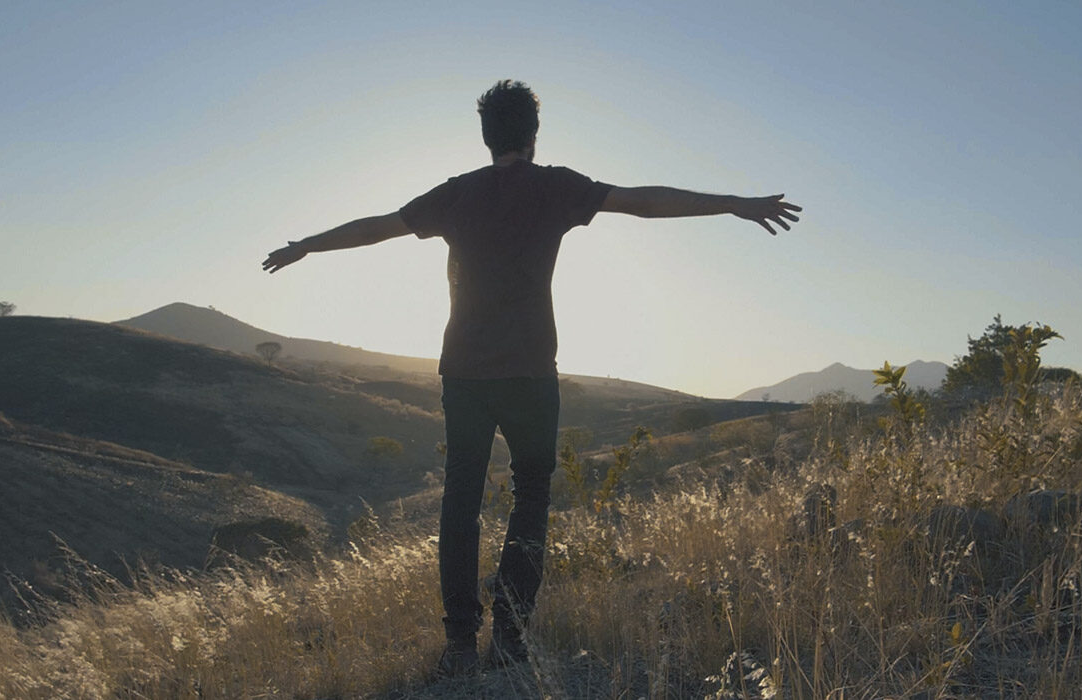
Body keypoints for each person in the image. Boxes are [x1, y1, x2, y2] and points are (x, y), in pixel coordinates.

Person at [262, 79, 801, 677]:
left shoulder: (457, 193)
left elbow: (377, 227)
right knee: (532, 496)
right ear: (533, 135)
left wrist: (307, 245)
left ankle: (459, 645)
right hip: (530, 373)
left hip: (464, 372)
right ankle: (510, 637)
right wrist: (732, 203)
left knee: (461, 502)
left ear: (486, 136)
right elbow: (642, 202)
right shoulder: (554, 187)